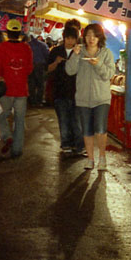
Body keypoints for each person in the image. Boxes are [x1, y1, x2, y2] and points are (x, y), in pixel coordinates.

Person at [65, 23, 115, 171]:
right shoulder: (79, 52)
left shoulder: (106, 53)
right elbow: (69, 71)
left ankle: (102, 157)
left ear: (100, 37)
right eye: (88, 35)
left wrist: (98, 64)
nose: (91, 38)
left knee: (100, 129)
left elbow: (109, 74)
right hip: (83, 98)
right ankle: (90, 159)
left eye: (94, 35)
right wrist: (74, 55)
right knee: (86, 130)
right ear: (84, 37)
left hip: (101, 98)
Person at [0, 19, 34, 158]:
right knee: (20, 120)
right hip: (21, 89)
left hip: (6, 90)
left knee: (1, 116)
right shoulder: (26, 48)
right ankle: (17, 150)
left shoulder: (1, 47)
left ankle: (6, 135)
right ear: (19, 33)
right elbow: (29, 68)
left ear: (7, 32)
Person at [48, 26, 85, 156]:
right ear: (64, 38)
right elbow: (48, 69)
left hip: (77, 92)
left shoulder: (80, 52)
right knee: (63, 120)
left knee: (77, 121)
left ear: (77, 39)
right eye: (68, 38)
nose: (70, 41)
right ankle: (66, 145)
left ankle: (79, 146)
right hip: (60, 92)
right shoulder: (56, 51)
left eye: (73, 38)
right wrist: (56, 62)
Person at [28, 35, 50, 106]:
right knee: (40, 84)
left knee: (31, 83)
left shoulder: (28, 45)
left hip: (30, 65)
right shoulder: (43, 45)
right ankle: (39, 101)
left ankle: (32, 101)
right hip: (40, 65)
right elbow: (47, 56)